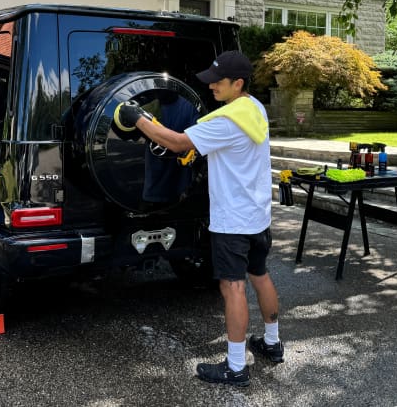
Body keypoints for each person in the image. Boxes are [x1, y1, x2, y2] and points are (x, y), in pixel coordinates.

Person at [116, 50, 284, 388]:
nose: (211, 87)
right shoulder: (254, 108)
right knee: (260, 275)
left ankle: (235, 367)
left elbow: (177, 143)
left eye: (218, 82)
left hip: (232, 221)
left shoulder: (227, 122)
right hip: (257, 215)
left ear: (238, 83)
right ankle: (272, 342)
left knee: (232, 287)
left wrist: (139, 118)